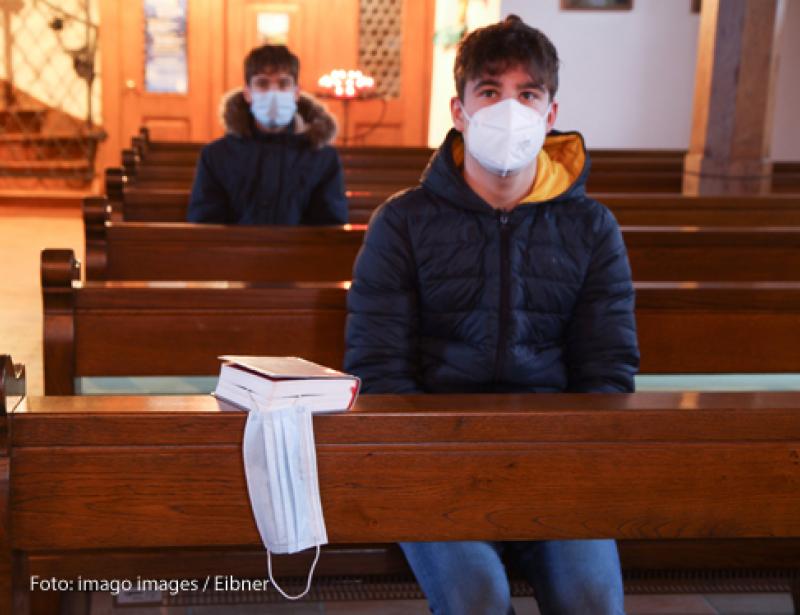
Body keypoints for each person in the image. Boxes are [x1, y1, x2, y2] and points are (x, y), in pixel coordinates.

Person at [344, 15, 639, 615]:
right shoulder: (402, 223)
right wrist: (430, 461)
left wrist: (567, 460)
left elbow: (607, 370)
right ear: (459, 111)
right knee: (478, 597)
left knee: (592, 599)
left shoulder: (591, 228)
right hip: (432, 460)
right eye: (490, 92)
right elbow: (379, 369)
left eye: (527, 95)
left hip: (552, 459)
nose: (511, 110)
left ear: (551, 114)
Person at [188, 44, 347, 225]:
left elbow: (330, 227)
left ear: (296, 92)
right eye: (263, 84)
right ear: (247, 93)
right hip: (234, 252)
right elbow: (204, 224)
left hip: (299, 253)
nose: (273, 93)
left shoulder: (323, 158)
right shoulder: (216, 156)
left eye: (283, 84)